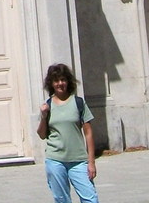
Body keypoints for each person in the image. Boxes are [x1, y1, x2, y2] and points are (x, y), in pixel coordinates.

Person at [36, 63, 99, 203]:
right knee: (62, 199)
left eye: (63, 80)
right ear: (51, 83)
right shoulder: (48, 106)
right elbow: (41, 135)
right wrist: (43, 116)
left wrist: (91, 162)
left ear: (68, 81)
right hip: (55, 160)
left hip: (79, 161)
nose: (60, 83)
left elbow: (88, 133)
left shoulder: (78, 103)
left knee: (90, 198)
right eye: (56, 80)